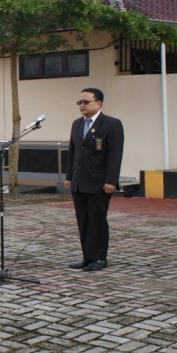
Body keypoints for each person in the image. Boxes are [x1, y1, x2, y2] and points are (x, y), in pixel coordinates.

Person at [64, 88, 124, 272]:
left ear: (98, 103)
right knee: (83, 221)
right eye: (80, 102)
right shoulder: (77, 124)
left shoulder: (111, 124)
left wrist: (111, 180)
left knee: (97, 220)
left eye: (86, 102)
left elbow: (115, 155)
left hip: (99, 182)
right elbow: (73, 152)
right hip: (80, 182)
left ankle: (99, 257)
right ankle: (87, 257)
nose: (82, 105)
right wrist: (69, 176)